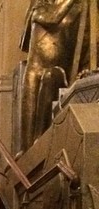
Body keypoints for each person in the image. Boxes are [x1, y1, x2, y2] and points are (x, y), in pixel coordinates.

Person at [19, 0, 90, 151]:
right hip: (33, 72)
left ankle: (41, 140)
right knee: (26, 144)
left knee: (51, 78)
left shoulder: (77, 10)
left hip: (57, 72)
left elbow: (83, 42)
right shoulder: (38, 7)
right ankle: (30, 151)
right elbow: (52, 17)